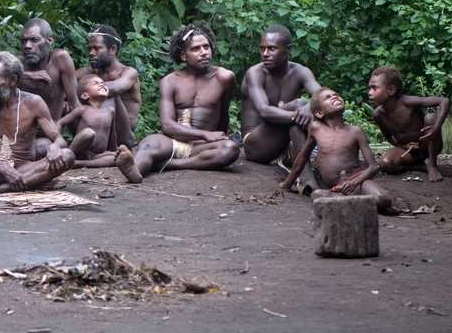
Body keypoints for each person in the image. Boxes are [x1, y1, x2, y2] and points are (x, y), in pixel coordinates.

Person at [0, 51, 75, 194]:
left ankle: (0, 188)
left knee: (67, 155)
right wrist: (3, 169)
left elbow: (59, 139)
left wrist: (54, 148)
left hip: (24, 167)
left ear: (12, 81)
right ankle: (32, 181)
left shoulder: (34, 103)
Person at [133, 22, 239, 176]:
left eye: (206, 47)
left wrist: (216, 137)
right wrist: (204, 133)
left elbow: (223, 113)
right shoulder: (170, 81)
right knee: (149, 144)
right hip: (172, 143)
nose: (203, 52)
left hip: (202, 147)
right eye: (196, 49)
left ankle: (169, 165)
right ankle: (134, 172)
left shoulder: (224, 77)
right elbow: (167, 126)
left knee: (230, 149)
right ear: (183, 55)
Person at [281, 88, 403, 215]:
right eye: (327, 98)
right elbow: (302, 158)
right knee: (317, 194)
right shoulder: (316, 129)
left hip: (359, 182)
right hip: (336, 189)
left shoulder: (355, 131)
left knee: (382, 199)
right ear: (319, 113)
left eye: (336, 95)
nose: (335, 97)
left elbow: (373, 167)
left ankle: (353, 202)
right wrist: (287, 184)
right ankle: (361, 204)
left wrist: (353, 182)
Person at [240, 25, 321, 193]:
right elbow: (264, 111)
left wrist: (308, 109)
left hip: (284, 143)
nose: (265, 54)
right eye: (262, 49)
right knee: (300, 106)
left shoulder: (300, 71)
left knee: (302, 110)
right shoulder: (255, 73)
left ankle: (308, 178)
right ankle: (306, 178)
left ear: (288, 49)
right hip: (255, 145)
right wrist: (302, 112)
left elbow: (322, 96)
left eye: (272, 49)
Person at [368, 66, 450, 182]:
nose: (370, 93)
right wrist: (404, 146)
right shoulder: (378, 114)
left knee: (431, 117)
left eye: (374, 88)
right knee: (385, 164)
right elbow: (388, 137)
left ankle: (432, 165)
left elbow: (444, 101)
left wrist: (436, 128)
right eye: (369, 88)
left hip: (428, 146)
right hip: (408, 151)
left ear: (391, 90)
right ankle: (418, 165)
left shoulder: (408, 102)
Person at [58, 74, 140, 179]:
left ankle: (79, 164)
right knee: (88, 133)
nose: (101, 85)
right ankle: (70, 158)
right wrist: (57, 141)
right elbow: (61, 123)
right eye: (96, 83)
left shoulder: (110, 111)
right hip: (81, 151)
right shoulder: (82, 109)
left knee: (117, 158)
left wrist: (115, 151)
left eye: (103, 83)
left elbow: (112, 134)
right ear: (85, 95)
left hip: (97, 155)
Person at [75, 25, 141, 129]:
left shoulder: (129, 73)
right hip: (90, 131)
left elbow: (114, 88)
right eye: (90, 49)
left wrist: (79, 93)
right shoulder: (86, 73)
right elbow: (64, 89)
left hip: (121, 135)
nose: (91, 53)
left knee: (107, 95)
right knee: (66, 104)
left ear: (113, 49)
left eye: (97, 48)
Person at [16, 18, 80, 122]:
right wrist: (28, 75)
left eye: (34, 40)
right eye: (24, 41)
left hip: (51, 130)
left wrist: (60, 126)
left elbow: (74, 103)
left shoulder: (59, 59)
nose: (27, 46)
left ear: (49, 41)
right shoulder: (18, 62)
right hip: (22, 132)